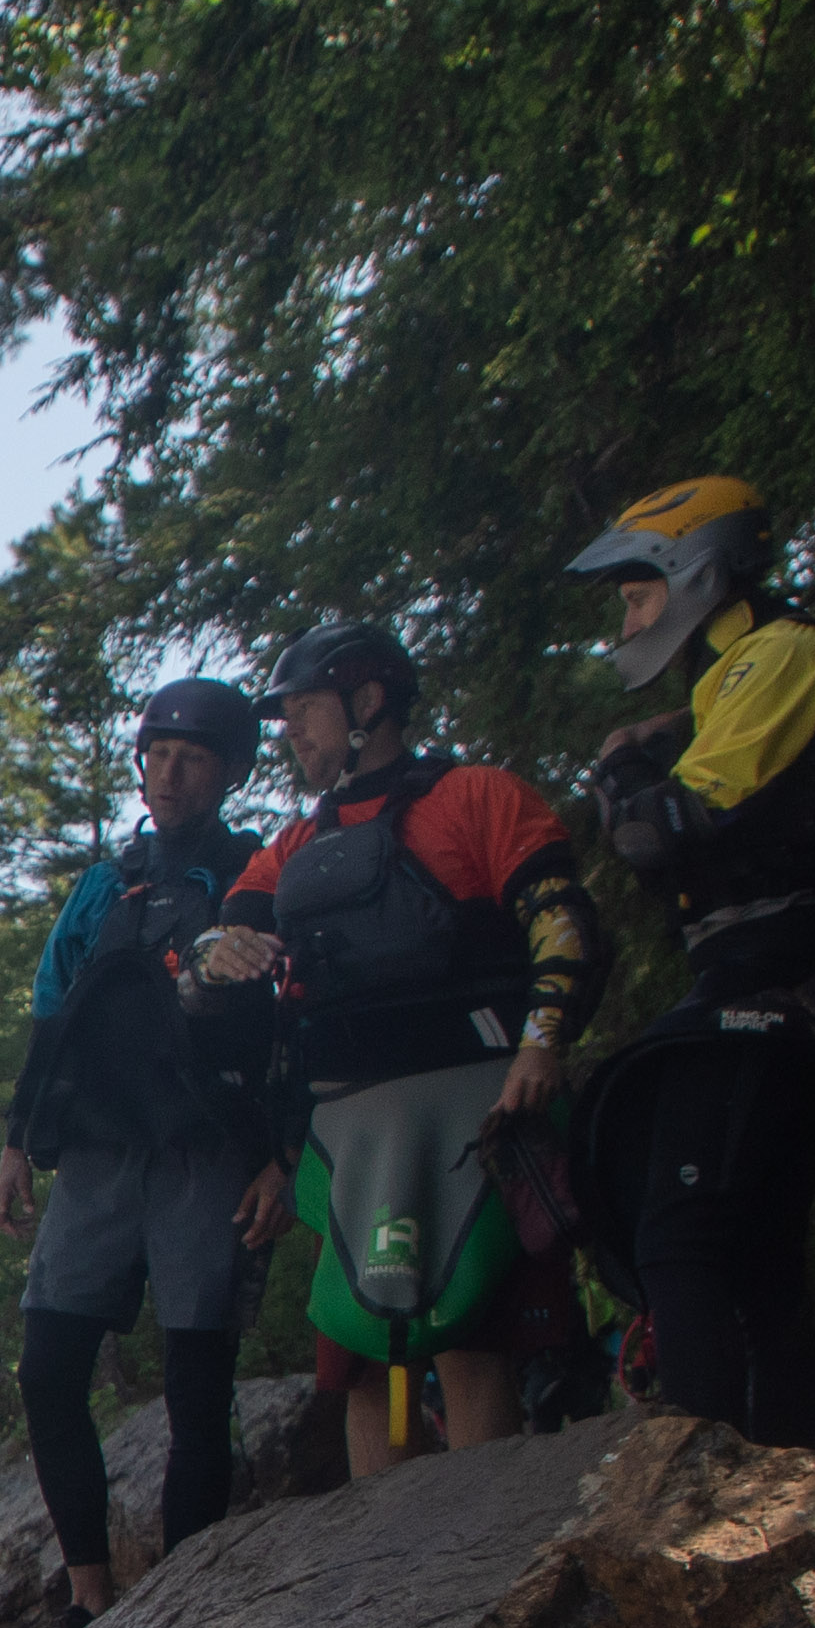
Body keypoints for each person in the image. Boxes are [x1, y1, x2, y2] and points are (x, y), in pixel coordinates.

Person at [184, 620, 603, 1473]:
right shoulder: (294, 848)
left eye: (307, 709)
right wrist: (214, 954)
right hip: (349, 1132)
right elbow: (212, 946)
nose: (292, 733)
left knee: (473, 1341)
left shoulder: (478, 797)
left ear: (368, 702)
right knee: (361, 1356)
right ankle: (379, 1548)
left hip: (478, 1112)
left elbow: (562, 921)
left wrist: (542, 1045)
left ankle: (482, 1537)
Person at [564, 478, 815, 1449]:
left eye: (638, 597)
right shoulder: (731, 678)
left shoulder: (785, 651)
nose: (628, 622)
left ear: (697, 574)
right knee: (758, 1255)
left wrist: (624, 769)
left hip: (774, 968)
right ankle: (776, 1475)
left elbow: (663, 829)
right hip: (764, 968)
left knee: (682, 1237)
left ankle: (701, 1483)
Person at [0, 676, 282, 1609]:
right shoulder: (105, 887)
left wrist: (281, 1156)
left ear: (231, 773)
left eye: (192, 759)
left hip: (207, 1151)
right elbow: (53, 1018)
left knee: (198, 1384)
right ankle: (89, 1596)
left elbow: (290, 1028)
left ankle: (184, 1602)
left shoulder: (255, 875)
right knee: (48, 1371)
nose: (169, 774)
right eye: (157, 755)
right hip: (100, 1150)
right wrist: (16, 1145)